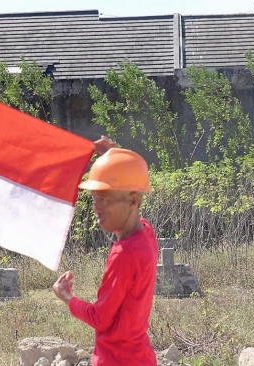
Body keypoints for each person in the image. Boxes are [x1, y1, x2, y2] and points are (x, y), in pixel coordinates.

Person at [52, 141, 158, 366]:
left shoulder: (125, 254)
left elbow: (99, 318)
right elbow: (133, 185)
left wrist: (67, 297)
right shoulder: (146, 234)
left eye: (105, 199)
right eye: (94, 199)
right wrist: (114, 157)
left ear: (132, 200)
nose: (96, 207)